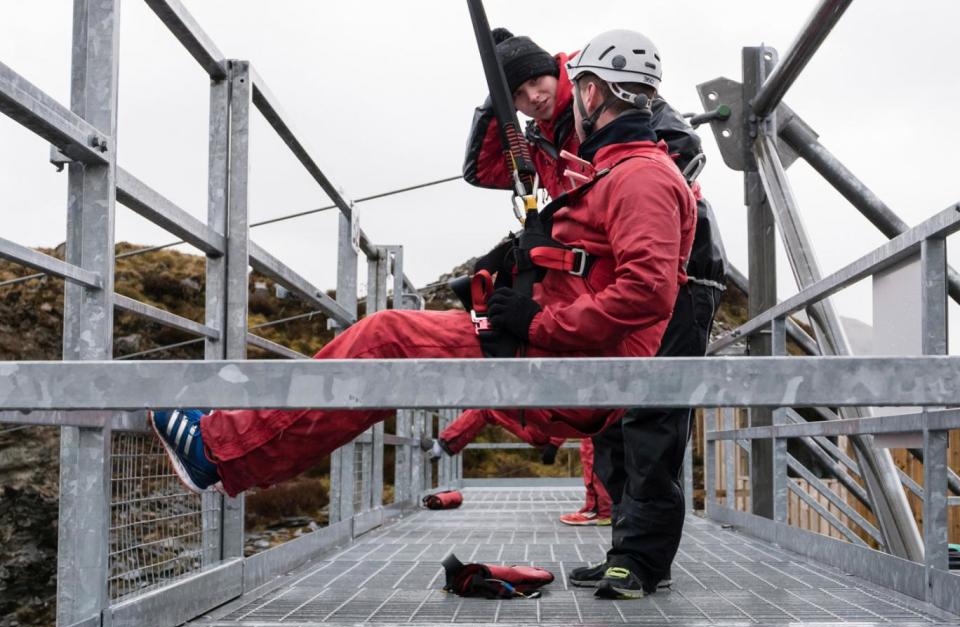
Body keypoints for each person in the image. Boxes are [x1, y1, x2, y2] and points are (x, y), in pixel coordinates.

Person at [149, 28, 697, 598]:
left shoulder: (639, 176)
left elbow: (646, 293)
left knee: (386, 337)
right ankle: (231, 451)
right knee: (390, 342)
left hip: (576, 364)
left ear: (586, 93)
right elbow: (510, 185)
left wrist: (533, 321)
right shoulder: (611, 168)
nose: (543, 97)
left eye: (555, 83)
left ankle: (218, 451)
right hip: (572, 356)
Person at [443, 27, 726, 534]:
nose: (534, 97)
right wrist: (497, 94)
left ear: (558, 69)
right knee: (611, 405)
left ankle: (644, 554)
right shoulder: (538, 137)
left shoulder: (611, 93)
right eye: (519, 96)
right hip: (607, 274)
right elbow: (481, 170)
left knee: (652, 407)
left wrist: (605, 208)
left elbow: (683, 150)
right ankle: (626, 540)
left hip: (679, 267)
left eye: (535, 80)